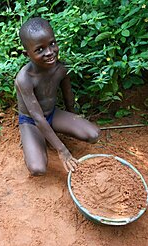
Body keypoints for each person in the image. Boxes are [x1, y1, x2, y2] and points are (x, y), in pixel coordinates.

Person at [15, 17, 100, 176]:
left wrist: (72, 116)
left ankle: (48, 133)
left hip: (52, 114)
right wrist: (62, 150)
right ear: (27, 54)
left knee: (93, 134)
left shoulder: (60, 68)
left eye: (52, 44)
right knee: (37, 169)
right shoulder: (24, 79)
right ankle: (30, 138)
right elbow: (37, 117)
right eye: (39, 50)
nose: (49, 52)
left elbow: (68, 94)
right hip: (31, 121)